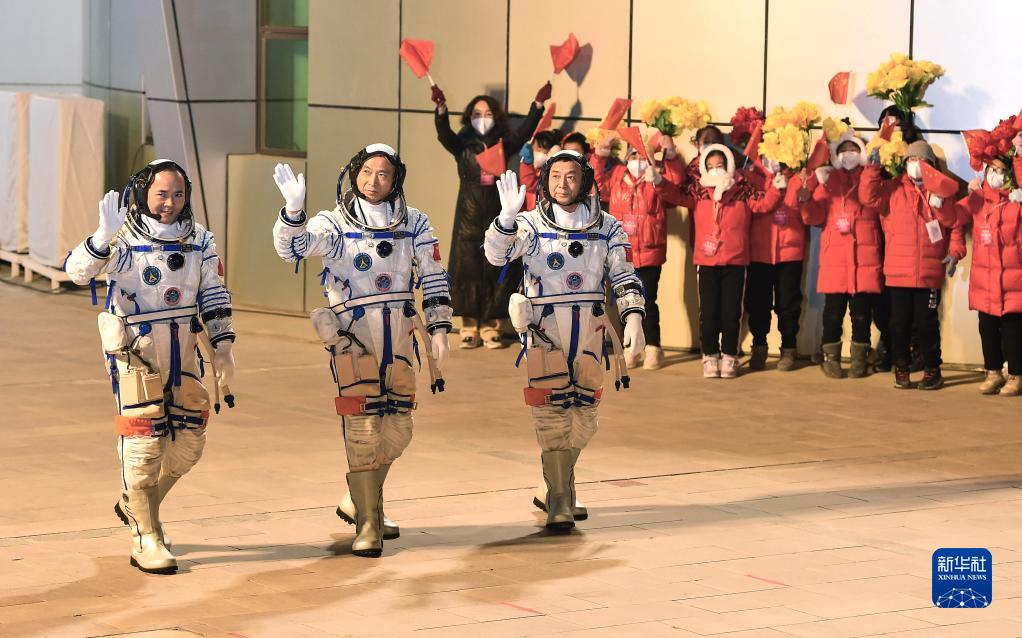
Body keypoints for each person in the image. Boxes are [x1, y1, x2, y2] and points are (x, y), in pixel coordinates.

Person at [271, 144, 452, 557]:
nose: (373, 181)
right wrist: (293, 211)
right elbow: (293, 249)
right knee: (364, 429)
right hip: (354, 337)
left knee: (399, 426)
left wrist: (440, 326)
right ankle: (368, 523)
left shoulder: (414, 222)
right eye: (367, 172)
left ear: (396, 178)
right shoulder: (335, 223)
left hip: (401, 335)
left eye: (383, 174)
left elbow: (434, 275)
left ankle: (361, 500)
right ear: (354, 174)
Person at [65, 159, 236, 574]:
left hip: (184, 350)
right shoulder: (123, 237)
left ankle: (138, 504)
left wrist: (223, 346)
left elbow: (213, 292)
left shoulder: (199, 239)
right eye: (161, 194)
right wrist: (101, 237)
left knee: (189, 442)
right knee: (143, 446)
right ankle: (146, 535)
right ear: (143, 193)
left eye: (178, 194)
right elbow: (76, 272)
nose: (170, 203)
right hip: (136, 353)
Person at [483, 150, 645, 530]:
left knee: (585, 416)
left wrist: (634, 317)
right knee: (552, 413)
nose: (563, 184)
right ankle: (559, 499)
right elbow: (496, 255)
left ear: (584, 180)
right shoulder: (529, 224)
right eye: (555, 176)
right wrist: (505, 219)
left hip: (590, 328)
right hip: (545, 330)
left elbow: (624, 275)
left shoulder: (607, 227)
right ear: (545, 180)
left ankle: (555, 484)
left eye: (571, 176)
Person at [431, 83, 551, 349]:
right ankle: (469, 325)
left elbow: (525, 131)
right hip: (468, 214)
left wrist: (538, 105)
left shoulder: (503, 143)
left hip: (497, 211)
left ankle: (491, 326)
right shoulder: (461, 144)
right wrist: (441, 108)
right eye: (477, 114)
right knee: (467, 268)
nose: (482, 119)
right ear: (469, 117)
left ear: (496, 117)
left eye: (487, 114)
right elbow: (444, 133)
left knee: (495, 266)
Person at [859, 140, 963, 389]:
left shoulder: (942, 192)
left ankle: (932, 370)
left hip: (929, 273)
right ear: (905, 164)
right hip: (898, 273)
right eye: (912, 160)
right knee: (898, 324)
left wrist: (955, 251)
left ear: (932, 166)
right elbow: (868, 197)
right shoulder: (892, 188)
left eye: (923, 161)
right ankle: (901, 368)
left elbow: (955, 224)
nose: (917, 165)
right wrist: (872, 170)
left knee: (927, 325)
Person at [674, 144, 782, 378]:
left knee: (732, 313)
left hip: (735, 260)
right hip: (706, 261)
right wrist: (658, 181)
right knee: (709, 313)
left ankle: (730, 356)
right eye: (710, 166)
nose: (715, 169)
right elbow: (672, 195)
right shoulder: (698, 191)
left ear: (730, 165)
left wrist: (776, 185)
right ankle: (710, 356)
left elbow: (764, 204)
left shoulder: (742, 189)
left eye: (720, 165)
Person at [593, 134, 686, 369]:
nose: (637, 160)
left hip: (650, 251)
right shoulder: (617, 175)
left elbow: (676, 186)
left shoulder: (657, 177)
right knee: (626, 300)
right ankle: (631, 348)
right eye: (633, 155)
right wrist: (600, 155)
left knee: (647, 300)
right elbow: (595, 182)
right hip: (621, 253)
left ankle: (654, 347)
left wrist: (670, 157)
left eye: (642, 156)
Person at [806, 130, 883, 378]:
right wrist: (805, 201)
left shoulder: (871, 178)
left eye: (853, 150)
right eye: (843, 150)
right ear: (836, 155)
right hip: (835, 261)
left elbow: (872, 202)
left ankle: (860, 358)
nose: (848, 155)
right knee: (833, 313)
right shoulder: (828, 181)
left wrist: (872, 170)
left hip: (864, 259)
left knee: (861, 314)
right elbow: (815, 217)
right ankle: (830, 357)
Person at [957, 139, 1022, 396]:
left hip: (1013, 283)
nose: (996, 175)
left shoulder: (1017, 202)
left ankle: (1016, 374)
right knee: (987, 329)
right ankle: (993, 372)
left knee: (1014, 332)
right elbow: (953, 217)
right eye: (991, 170)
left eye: (1001, 170)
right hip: (985, 281)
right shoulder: (980, 200)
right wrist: (969, 194)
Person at [744, 158, 809, 372]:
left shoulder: (798, 177)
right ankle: (759, 346)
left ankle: (789, 348)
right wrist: (773, 185)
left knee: (788, 304)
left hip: (789, 252)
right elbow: (754, 206)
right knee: (758, 304)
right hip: (759, 252)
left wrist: (800, 185)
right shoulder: (752, 177)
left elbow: (804, 212)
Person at [520, 129, 561, 211]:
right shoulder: (532, 167)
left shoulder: (555, 170)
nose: (535, 152)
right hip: (529, 213)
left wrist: (526, 165)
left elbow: (530, 185)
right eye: (533, 148)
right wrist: (527, 164)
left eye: (540, 149)